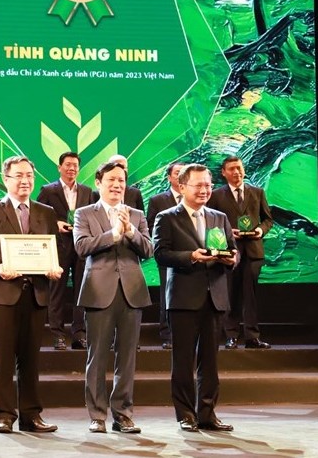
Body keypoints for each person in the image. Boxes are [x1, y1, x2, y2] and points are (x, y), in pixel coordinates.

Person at [0, 155, 64, 434]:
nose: (25, 181)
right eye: (19, 176)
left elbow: (54, 249)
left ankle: (31, 415)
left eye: (29, 176)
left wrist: (54, 266)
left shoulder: (46, 212)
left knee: (31, 359)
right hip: (3, 295)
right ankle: (4, 415)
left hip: (36, 295)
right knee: (2, 359)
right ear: (6, 179)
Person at [153, 164, 236, 432]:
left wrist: (231, 259)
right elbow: (160, 254)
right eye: (198, 185)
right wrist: (191, 256)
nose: (204, 190)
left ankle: (207, 414)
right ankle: (186, 415)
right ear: (182, 186)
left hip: (215, 298)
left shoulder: (219, 217)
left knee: (210, 361)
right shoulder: (167, 217)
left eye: (208, 185)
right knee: (183, 361)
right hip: (183, 299)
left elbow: (232, 251)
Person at [74, 161, 153, 434]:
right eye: (112, 180)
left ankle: (123, 415)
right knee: (97, 357)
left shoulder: (136, 214)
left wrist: (129, 231)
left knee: (127, 358)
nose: (117, 185)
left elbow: (148, 249)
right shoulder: (84, 213)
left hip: (132, 292)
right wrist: (113, 235)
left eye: (121, 180)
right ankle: (97, 416)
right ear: (99, 183)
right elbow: (81, 246)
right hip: (99, 292)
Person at [207, 156, 274, 350]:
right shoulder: (216, 195)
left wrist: (260, 230)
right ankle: (231, 335)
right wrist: (228, 232)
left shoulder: (257, 192)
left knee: (251, 296)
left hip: (253, 251)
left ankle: (252, 337)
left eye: (239, 168)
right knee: (231, 293)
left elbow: (268, 219)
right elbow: (211, 222)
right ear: (223, 172)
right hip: (229, 252)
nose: (236, 172)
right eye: (232, 169)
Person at [37, 151, 92, 350]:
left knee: (81, 291)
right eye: (68, 165)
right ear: (59, 167)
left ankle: (79, 334)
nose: (71, 168)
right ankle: (57, 335)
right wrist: (55, 224)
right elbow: (38, 216)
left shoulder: (87, 191)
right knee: (57, 291)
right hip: (58, 246)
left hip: (81, 246)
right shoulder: (47, 190)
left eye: (75, 165)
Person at [145, 162, 185, 350]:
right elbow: (151, 227)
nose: (180, 175)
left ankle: (186, 333)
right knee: (166, 294)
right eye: (177, 173)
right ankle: (167, 334)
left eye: (184, 172)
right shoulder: (157, 200)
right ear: (169, 177)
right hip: (167, 254)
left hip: (191, 255)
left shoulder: (194, 198)